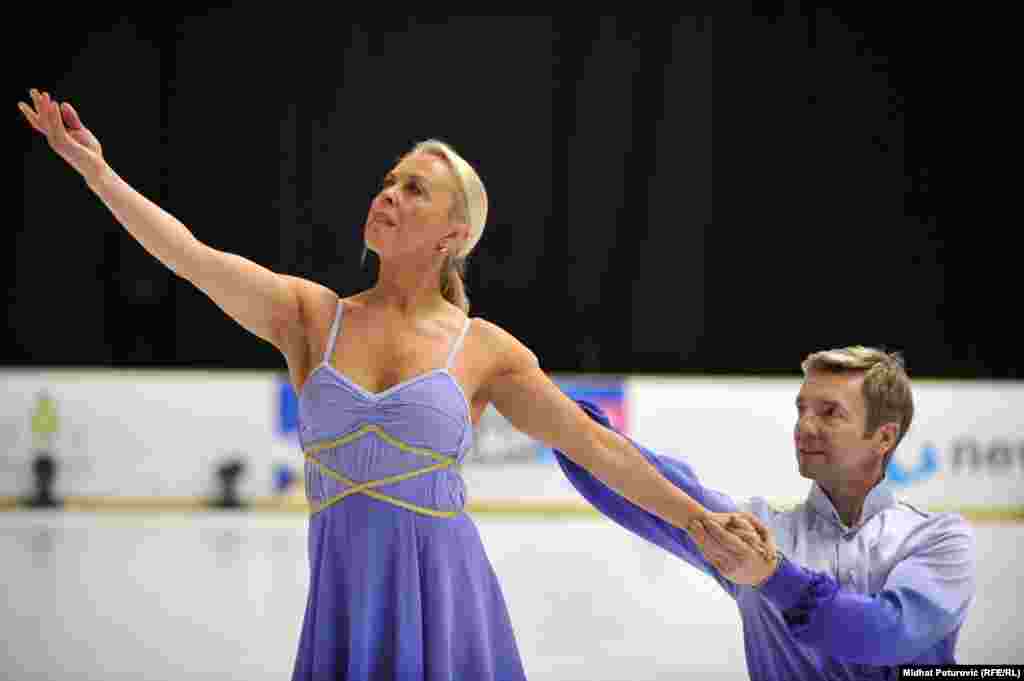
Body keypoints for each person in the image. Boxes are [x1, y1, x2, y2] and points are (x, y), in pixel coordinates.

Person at [18, 89, 767, 680]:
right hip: (346, 607)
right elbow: (187, 255)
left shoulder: (485, 350)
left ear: (452, 235)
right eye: (388, 181)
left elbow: (601, 450)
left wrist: (698, 518)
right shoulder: (310, 317)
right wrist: (96, 170)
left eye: (414, 189)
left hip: (448, 609)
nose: (389, 194)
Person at [553, 346, 976, 679]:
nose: (804, 426)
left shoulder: (938, 538)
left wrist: (774, 577)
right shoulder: (758, 530)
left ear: (883, 437)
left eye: (829, 412)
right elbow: (641, 480)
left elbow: (888, 633)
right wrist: (550, 410)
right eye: (801, 409)